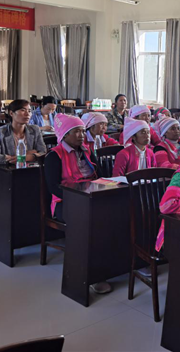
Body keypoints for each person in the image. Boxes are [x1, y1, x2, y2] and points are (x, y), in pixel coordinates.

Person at [44, 114, 110, 294]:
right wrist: (78, 196)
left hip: (91, 197)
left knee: (116, 215)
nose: (82, 135)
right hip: (66, 203)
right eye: (77, 132)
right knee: (93, 224)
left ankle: (113, 265)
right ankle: (93, 274)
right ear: (65, 134)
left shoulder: (87, 151)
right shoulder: (54, 156)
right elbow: (53, 187)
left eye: (82, 131)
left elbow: (100, 175)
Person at [0, 100, 46, 202]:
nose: (27, 114)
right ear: (11, 113)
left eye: (29, 111)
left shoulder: (35, 130)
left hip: (30, 174)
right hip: (6, 177)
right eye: (23, 110)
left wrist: (27, 157)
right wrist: (30, 153)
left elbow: (43, 152)